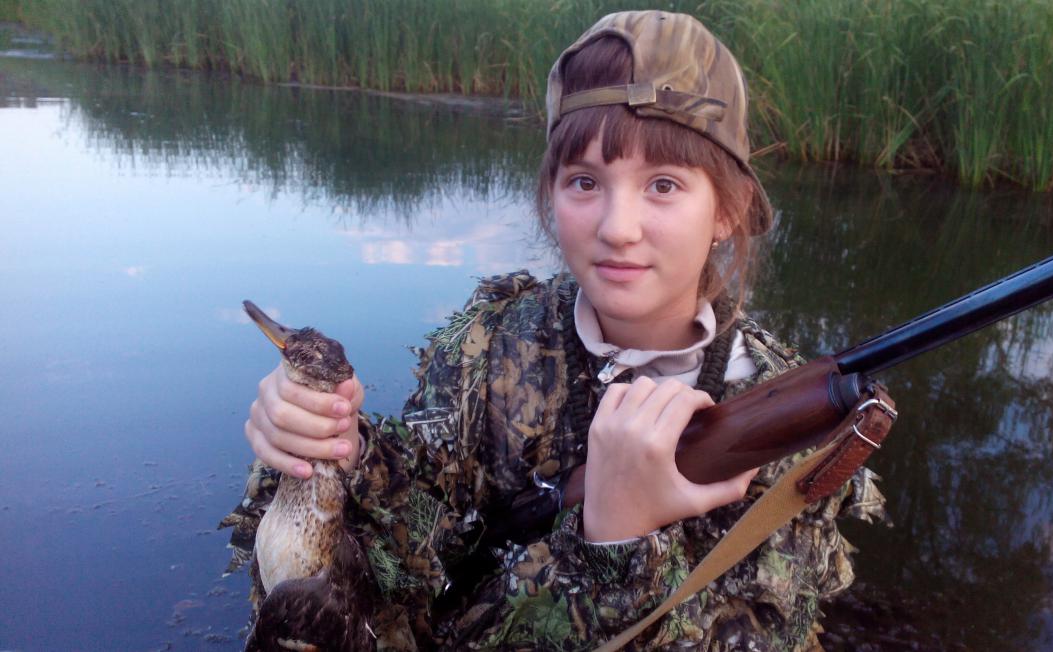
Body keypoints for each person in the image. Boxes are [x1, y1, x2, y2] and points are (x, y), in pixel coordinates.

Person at [223, 10, 886, 651]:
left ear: (728, 209)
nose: (617, 227)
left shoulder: (788, 420)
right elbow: (413, 559)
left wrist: (617, 542)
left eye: (662, 185)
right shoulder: (487, 343)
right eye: (584, 182)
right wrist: (329, 452)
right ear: (550, 194)